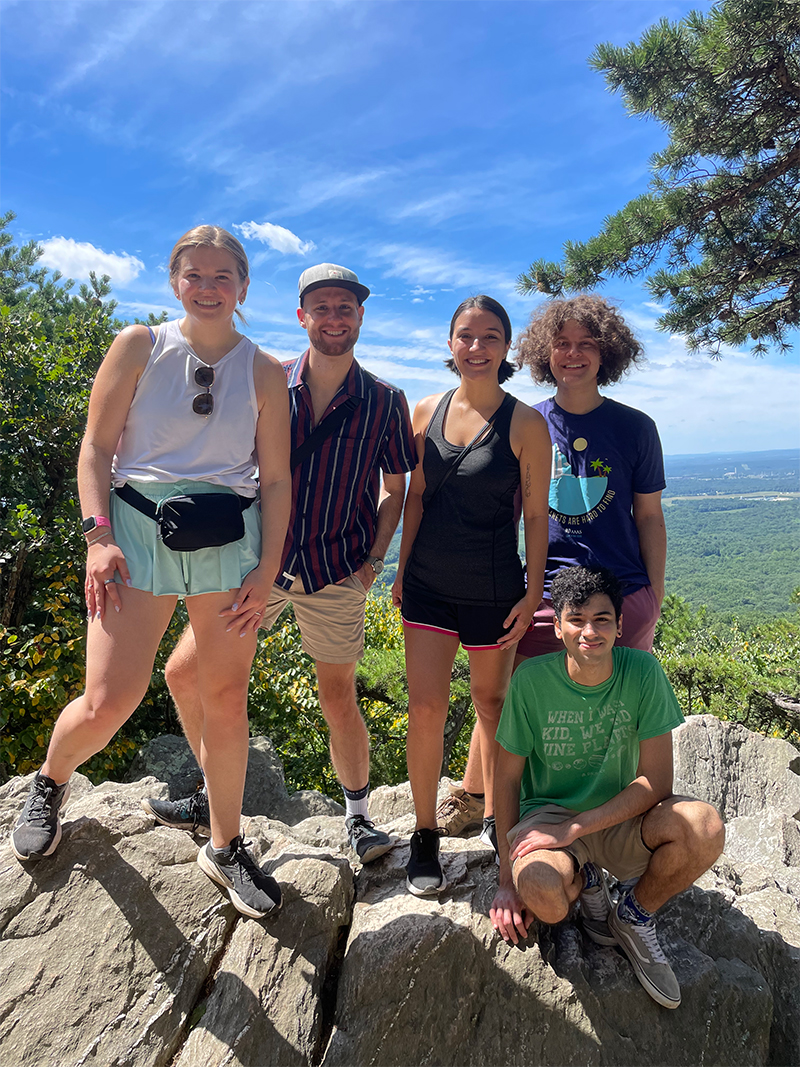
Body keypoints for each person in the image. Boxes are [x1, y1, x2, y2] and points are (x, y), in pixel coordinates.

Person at [12, 226, 292, 918]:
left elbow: (279, 480)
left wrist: (269, 567)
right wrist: (95, 537)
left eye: (222, 276)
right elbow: (95, 448)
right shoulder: (140, 345)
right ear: (175, 282)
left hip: (227, 539)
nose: (207, 287)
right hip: (132, 535)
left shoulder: (262, 370)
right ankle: (51, 780)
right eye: (194, 274)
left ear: (244, 287)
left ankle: (225, 844)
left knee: (225, 700)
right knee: (108, 700)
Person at [143, 263, 416, 864]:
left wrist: (374, 558)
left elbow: (397, 486)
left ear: (361, 317)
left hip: (336, 569)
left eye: (345, 307)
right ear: (302, 316)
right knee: (184, 674)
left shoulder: (386, 402)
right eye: (322, 308)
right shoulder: (265, 381)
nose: (334, 318)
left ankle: (360, 818)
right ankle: (215, 798)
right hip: (254, 566)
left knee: (337, 695)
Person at [439, 294, 667, 846]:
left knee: (622, 704)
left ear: (606, 352)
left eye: (587, 343)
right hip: (544, 591)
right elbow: (506, 509)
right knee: (510, 690)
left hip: (622, 591)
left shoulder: (636, 428)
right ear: (544, 352)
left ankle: (614, 816)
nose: (573, 354)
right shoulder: (526, 419)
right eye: (562, 343)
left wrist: (653, 598)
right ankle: (475, 796)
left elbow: (649, 517)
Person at [490, 565, 725, 1009]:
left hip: (621, 814)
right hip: (549, 816)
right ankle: (586, 879)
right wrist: (506, 878)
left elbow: (657, 782)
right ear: (556, 626)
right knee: (544, 896)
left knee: (705, 827)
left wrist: (579, 827)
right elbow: (505, 778)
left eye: (602, 619)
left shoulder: (642, 673)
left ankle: (633, 915)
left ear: (620, 626)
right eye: (576, 619)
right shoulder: (531, 681)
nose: (589, 631)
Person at [392, 295, 551, 897]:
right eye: (466, 335)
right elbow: (415, 498)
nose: (477, 347)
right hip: (429, 584)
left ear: (507, 347)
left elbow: (535, 515)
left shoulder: (526, 424)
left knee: (492, 703)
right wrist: (401, 570)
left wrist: (534, 589)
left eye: (490, 336)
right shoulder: (425, 410)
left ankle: (496, 821)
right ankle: (425, 834)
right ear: (450, 344)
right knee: (426, 708)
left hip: (493, 589)